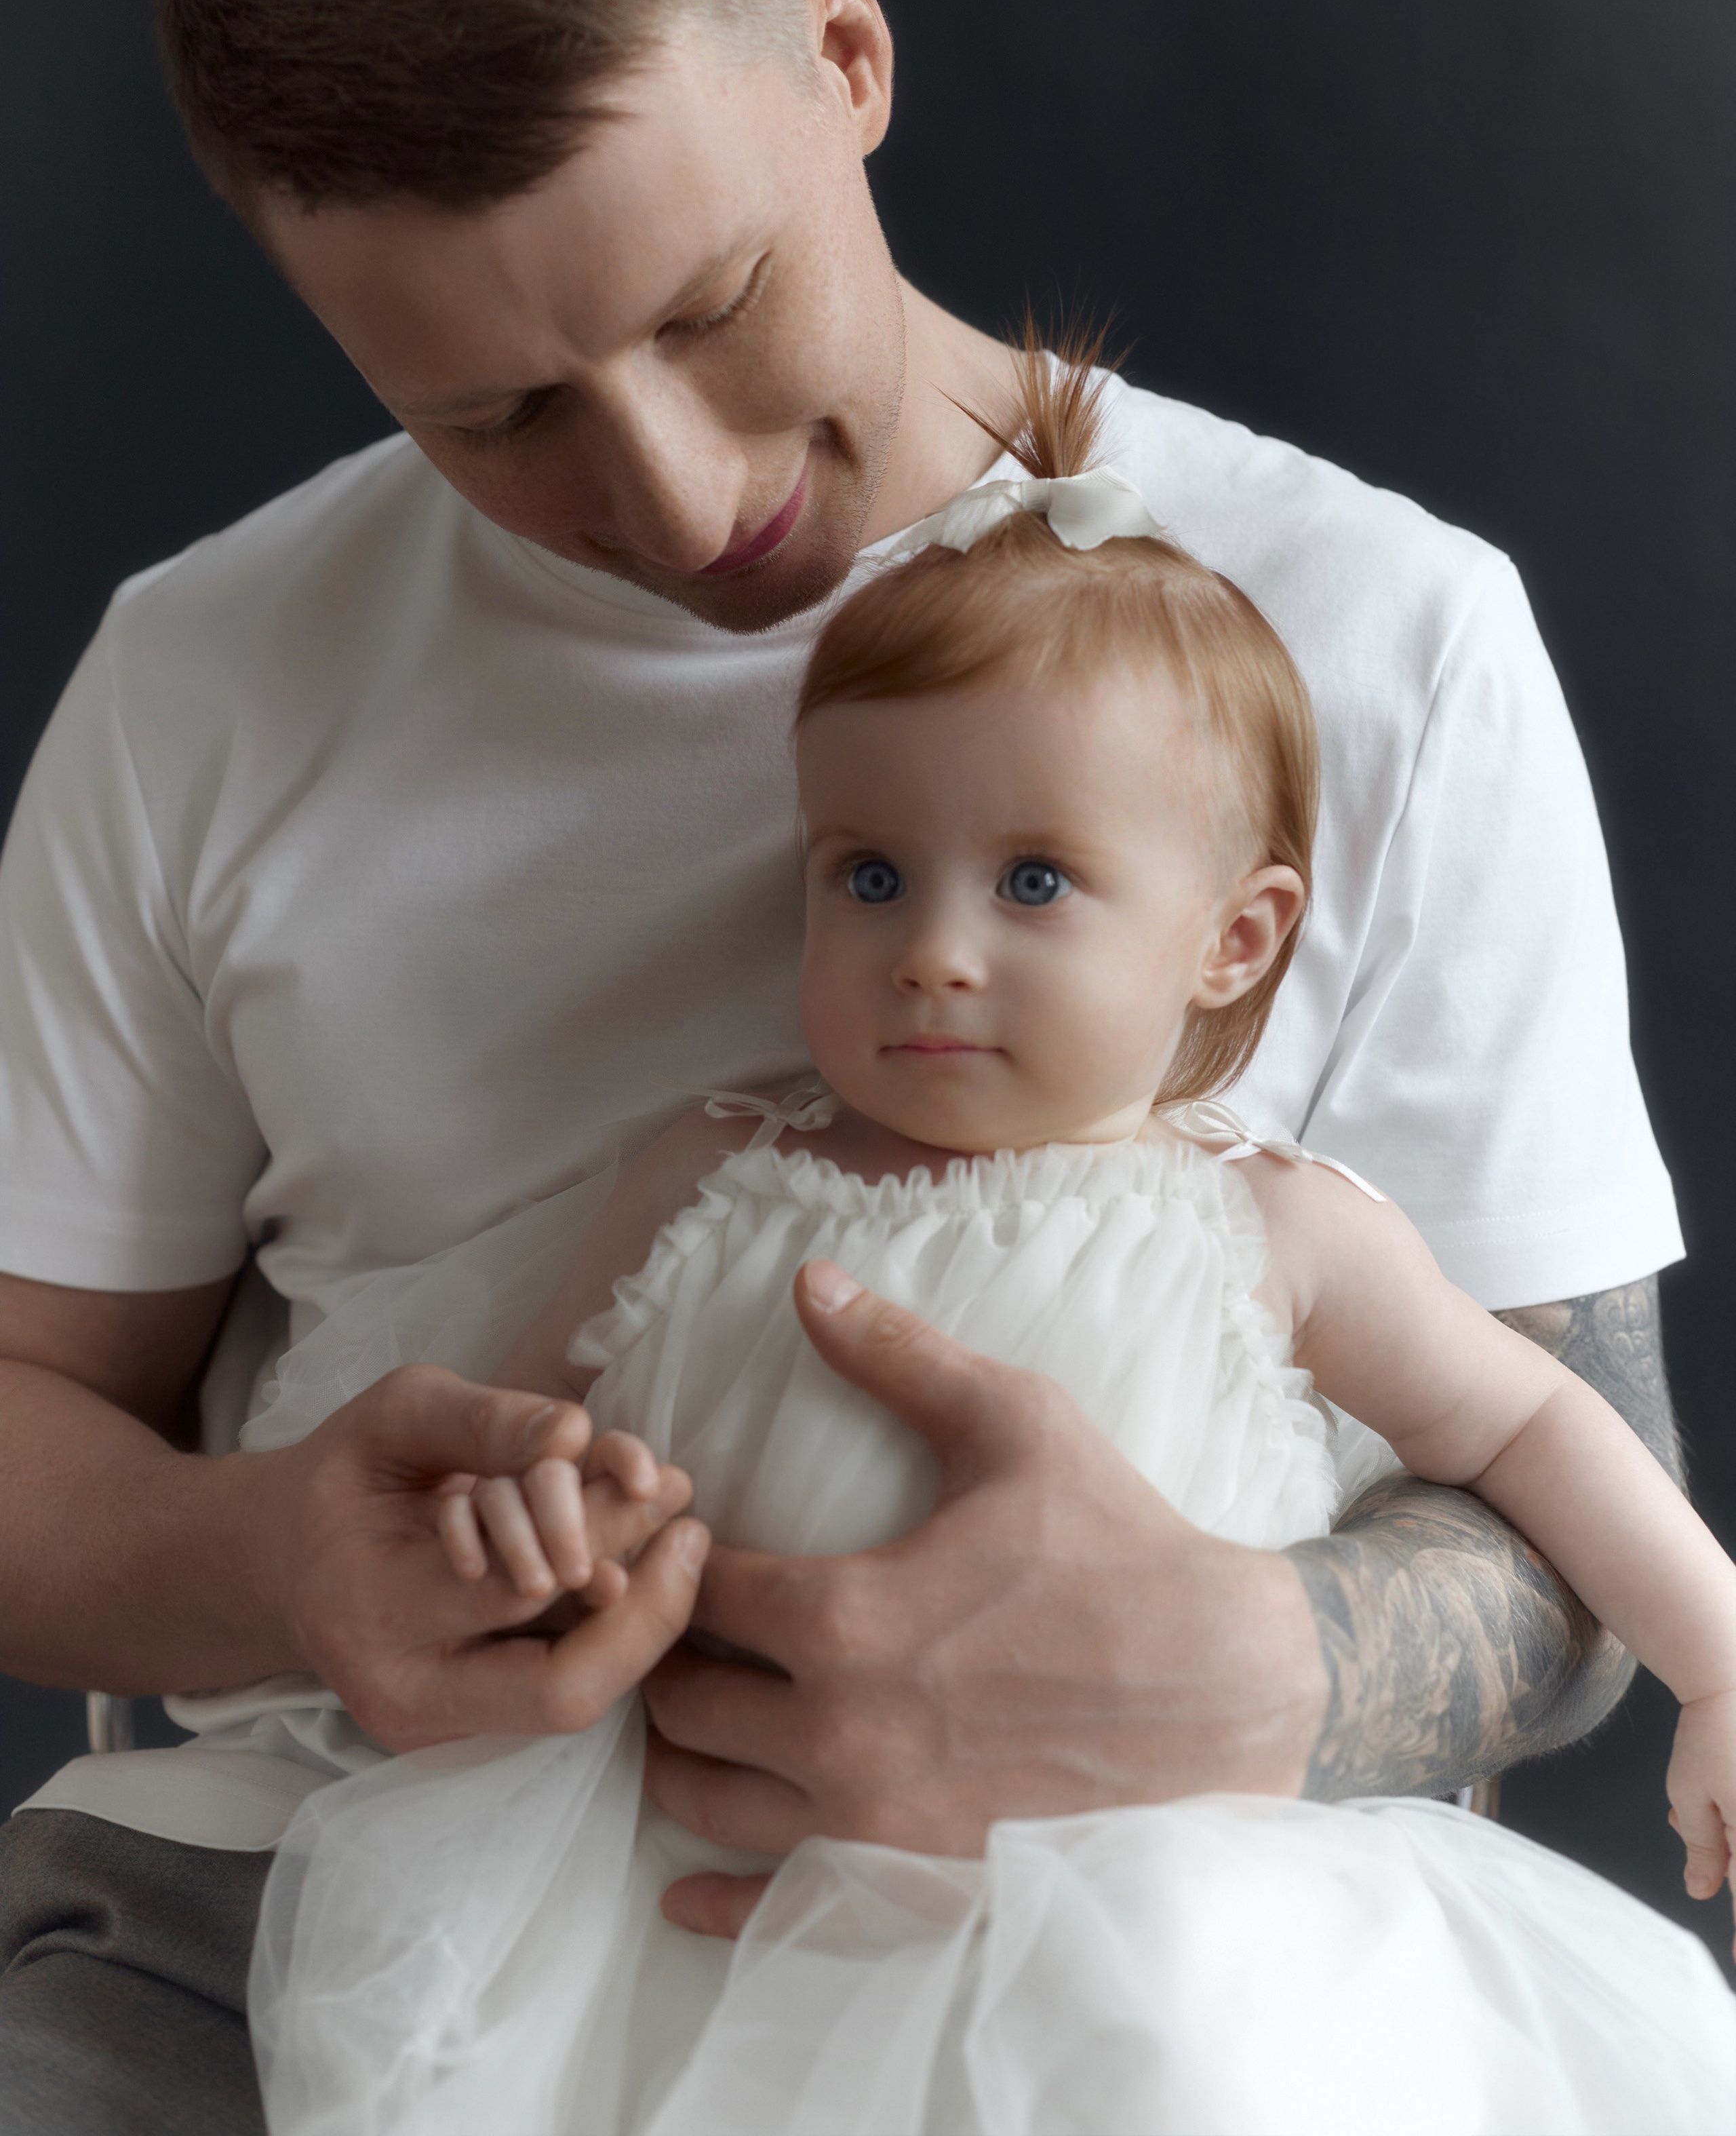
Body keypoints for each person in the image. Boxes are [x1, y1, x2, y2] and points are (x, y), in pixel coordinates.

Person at [0, 0, 1691, 2135]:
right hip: (329, 1904)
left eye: (709, 307)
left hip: (1134, 1938)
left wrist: (1251, 1672)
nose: (677, 502)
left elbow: (1576, 1486)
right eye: (491, 417)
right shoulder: (205, 678)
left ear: (848, 51)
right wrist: (285, 1572)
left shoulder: (1384, 642)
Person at [243, 360, 1736, 2134]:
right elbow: (532, 1431)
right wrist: (530, 1524)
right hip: (692, 1911)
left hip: (1140, 1925)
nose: (932, 951)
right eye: (870, 875)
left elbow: (1535, 1429)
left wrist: (1716, 1656)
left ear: (1234, 940)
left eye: (1033, 883)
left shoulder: (1270, 1226)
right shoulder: (710, 1172)